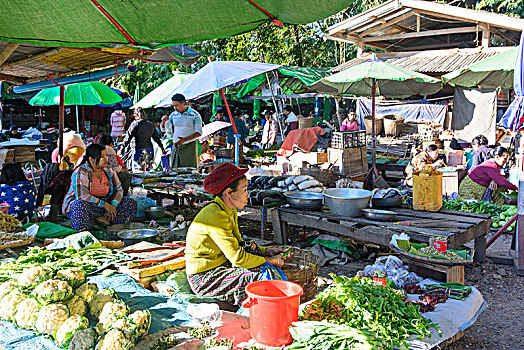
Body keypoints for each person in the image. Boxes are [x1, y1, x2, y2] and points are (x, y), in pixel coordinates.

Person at [185, 162, 289, 306]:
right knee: (259, 277)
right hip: (204, 278)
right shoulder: (216, 215)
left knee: (259, 262)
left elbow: (240, 244)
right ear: (229, 192)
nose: (248, 195)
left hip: (221, 267)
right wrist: (270, 261)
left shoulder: (229, 209)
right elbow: (238, 258)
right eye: (244, 190)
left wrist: (267, 251)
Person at [63, 144, 137, 231]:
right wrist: (105, 205)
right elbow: (82, 196)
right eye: (102, 157)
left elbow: (119, 190)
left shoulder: (109, 170)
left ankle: (105, 222)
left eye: (106, 156)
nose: (106, 159)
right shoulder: (81, 171)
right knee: (79, 206)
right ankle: (94, 224)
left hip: (105, 206)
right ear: (91, 159)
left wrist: (113, 205)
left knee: (130, 203)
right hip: (88, 206)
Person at [120, 107, 165, 171]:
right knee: (147, 170)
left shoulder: (135, 124)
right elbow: (157, 139)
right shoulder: (151, 125)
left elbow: (128, 138)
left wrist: (122, 148)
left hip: (138, 150)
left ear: (135, 115)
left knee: (138, 171)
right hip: (149, 150)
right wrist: (162, 148)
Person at [169, 93, 203, 168]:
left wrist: (184, 140)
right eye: (174, 106)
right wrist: (163, 124)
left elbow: (198, 133)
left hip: (189, 146)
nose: (175, 108)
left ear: (184, 104)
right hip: (176, 146)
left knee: (189, 170)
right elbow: (166, 129)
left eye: (177, 105)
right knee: (174, 170)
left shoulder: (195, 115)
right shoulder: (173, 115)